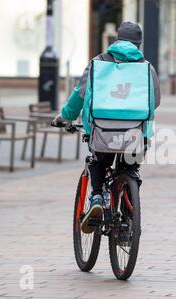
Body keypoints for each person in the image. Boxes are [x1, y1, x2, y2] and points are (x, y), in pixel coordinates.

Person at [52, 22, 161, 232]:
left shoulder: (97, 63)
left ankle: (96, 198)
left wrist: (65, 116)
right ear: (138, 43)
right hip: (136, 134)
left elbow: (79, 95)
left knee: (98, 162)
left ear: (117, 39)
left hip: (102, 132)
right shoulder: (147, 67)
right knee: (130, 168)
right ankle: (128, 223)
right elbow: (154, 101)